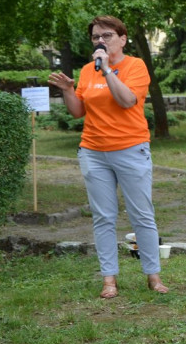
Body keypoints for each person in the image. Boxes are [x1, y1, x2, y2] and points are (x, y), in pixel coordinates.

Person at [46, 16, 168, 299]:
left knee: (142, 216)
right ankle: (109, 280)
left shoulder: (135, 66)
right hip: (93, 152)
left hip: (131, 149)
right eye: (95, 37)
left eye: (107, 35)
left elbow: (126, 101)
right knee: (103, 217)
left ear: (123, 39)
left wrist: (108, 71)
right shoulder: (88, 70)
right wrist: (67, 90)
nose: (100, 40)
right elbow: (78, 111)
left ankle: (153, 275)